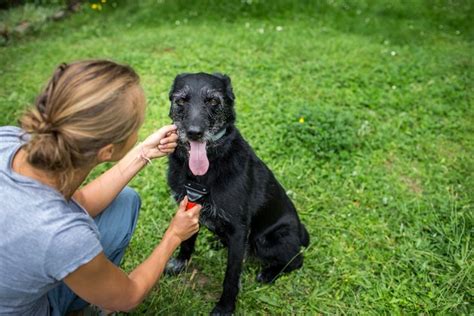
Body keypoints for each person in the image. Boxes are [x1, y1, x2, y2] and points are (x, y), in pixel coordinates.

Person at [0, 60, 201, 315]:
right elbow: (128, 296)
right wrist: (174, 234)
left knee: (124, 202)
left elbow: (76, 201)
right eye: (136, 127)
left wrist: (142, 152)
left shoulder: (8, 139)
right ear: (107, 151)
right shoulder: (64, 237)